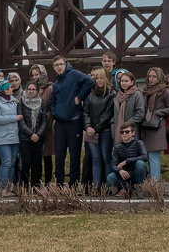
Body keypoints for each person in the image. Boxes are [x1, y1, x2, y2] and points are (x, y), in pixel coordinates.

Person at [48, 54, 93, 187]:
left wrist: (79, 96)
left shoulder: (73, 74)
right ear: (54, 68)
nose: (59, 67)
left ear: (65, 64)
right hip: (60, 124)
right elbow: (53, 102)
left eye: (61, 64)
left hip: (74, 122)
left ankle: (73, 184)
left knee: (74, 156)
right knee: (59, 156)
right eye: (56, 65)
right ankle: (60, 184)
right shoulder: (56, 83)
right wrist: (55, 114)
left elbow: (89, 81)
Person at [82, 67, 116, 192]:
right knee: (95, 159)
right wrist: (87, 126)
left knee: (106, 158)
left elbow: (108, 114)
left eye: (102, 78)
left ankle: (108, 186)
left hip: (104, 130)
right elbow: (85, 111)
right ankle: (97, 187)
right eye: (97, 78)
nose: (99, 80)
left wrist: (96, 128)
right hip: (91, 130)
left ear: (106, 79)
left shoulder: (112, 93)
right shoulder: (89, 92)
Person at [140, 66, 169, 182]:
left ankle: (154, 185)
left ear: (159, 77)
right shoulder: (145, 91)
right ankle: (152, 182)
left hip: (157, 127)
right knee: (148, 157)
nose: (151, 79)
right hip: (145, 127)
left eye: (154, 76)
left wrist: (157, 112)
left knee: (154, 156)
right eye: (150, 76)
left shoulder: (165, 91)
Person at [0, 78, 21, 196]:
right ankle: (1, 188)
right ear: (3, 90)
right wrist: (14, 118)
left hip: (14, 137)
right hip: (1, 138)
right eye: (9, 88)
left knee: (12, 163)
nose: (11, 88)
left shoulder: (14, 101)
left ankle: (8, 187)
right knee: (6, 162)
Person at [17, 80, 48, 187]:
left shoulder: (42, 102)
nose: (31, 91)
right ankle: (24, 186)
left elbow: (44, 121)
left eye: (33, 89)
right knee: (26, 162)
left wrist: (38, 134)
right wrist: (31, 134)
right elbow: (21, 121)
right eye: (29, 89)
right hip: (25, 137)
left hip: (38, 138)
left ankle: (36, 185)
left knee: (37, 162)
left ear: (37, 90)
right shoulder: (21, 101)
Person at [28, 63, 54, 179]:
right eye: (32, 75)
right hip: (34, 127)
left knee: (47, 155)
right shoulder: (31, 89)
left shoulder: (49, 89)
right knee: (36, 156)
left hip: (46, 126)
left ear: (42, 74)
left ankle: (48, 182)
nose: (34, 77)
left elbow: (53, 106)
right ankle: (36, 182)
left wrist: (47, 117)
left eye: (36, 75)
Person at [106, 124, 147, 197]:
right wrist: (119, 170)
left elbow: (144, 157)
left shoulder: (139, 143)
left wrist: (126, 161)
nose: (124, 133)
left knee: (140, 163)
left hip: (137, 173)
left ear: (133, 133)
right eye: (122, 132)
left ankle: (138, 189)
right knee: (110, 178)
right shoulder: (118, 147)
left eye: (127, 131)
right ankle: (126, 189)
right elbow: (113, 165)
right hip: (124, 174)